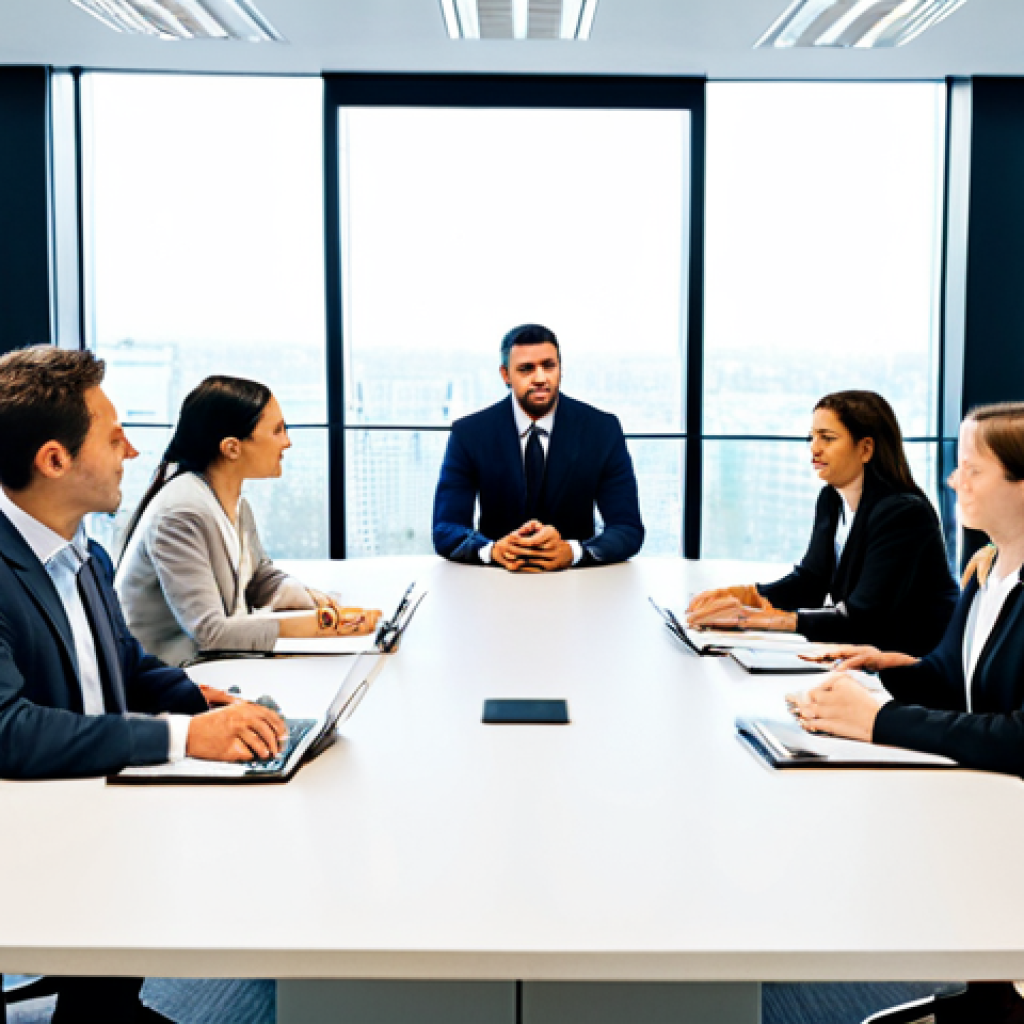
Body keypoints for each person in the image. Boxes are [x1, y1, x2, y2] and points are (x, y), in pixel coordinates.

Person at [0, 346, 292, 1023]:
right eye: (113, 437)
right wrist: (185, 737)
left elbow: (124, 664)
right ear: (54, 460)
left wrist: (197, 699)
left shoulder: (84, 554)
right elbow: (9, 730)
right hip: (34, 824)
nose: (132, 451)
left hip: (91, 798)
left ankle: (100, 1009)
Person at [791, 402, 1024, 1024]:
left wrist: (877, 720)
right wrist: (882, 675)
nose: (953, 480)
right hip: (990, 810)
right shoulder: (988, 569)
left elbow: (1019, 736)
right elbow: (950, 677)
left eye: (972, 469)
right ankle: (988, 995)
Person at [116, 376, 380, 666]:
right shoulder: (181, 514)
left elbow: (258, 577)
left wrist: (313, 599)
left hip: (210, 666)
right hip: (166, 676)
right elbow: (211, 632)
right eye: (277, 431)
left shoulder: (235, 503)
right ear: (232, 448)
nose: (287, 442)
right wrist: (322, 624)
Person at [686, 390, 957, 656]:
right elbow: (811, 581)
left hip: (911, 663)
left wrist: (753, 619)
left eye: (827, 438)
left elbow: (863, 619)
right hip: (866, 654)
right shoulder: (831, 499)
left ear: (865, 449)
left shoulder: (903, 513)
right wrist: (748, 595)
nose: (814, 448)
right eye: (812, 437)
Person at [432, 323, 644, 571]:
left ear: (561, 369)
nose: (541, 378)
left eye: (549, 366)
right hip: (497, 579)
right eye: (526, 369)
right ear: (505, 375)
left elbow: (627, 528)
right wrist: (493, 550)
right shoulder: (469, 433)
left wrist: (573, 551)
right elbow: (446, 528)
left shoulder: (602, 430)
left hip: (577, 580)